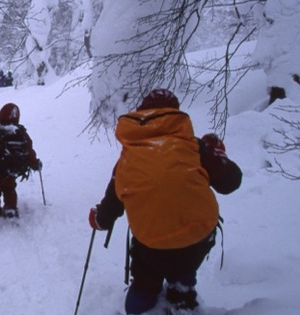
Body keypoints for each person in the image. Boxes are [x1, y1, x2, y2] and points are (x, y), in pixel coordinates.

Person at [88, 89, 242, 314]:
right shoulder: (195, 146)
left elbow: (111, 207)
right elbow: (230, 183)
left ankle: (142, 303)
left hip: (150, 244)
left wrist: (98, 220)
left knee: (143, 287)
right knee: (185, 263)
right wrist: (218, 155)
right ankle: (182, 291)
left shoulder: (128, 157)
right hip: (197, 236)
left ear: (143, 114)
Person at [0, 103, 42, 223]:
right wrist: (35, 164)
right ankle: (10, 209)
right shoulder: (21, 133)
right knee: (9, 189)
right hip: (11, 172)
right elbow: (29, 151)